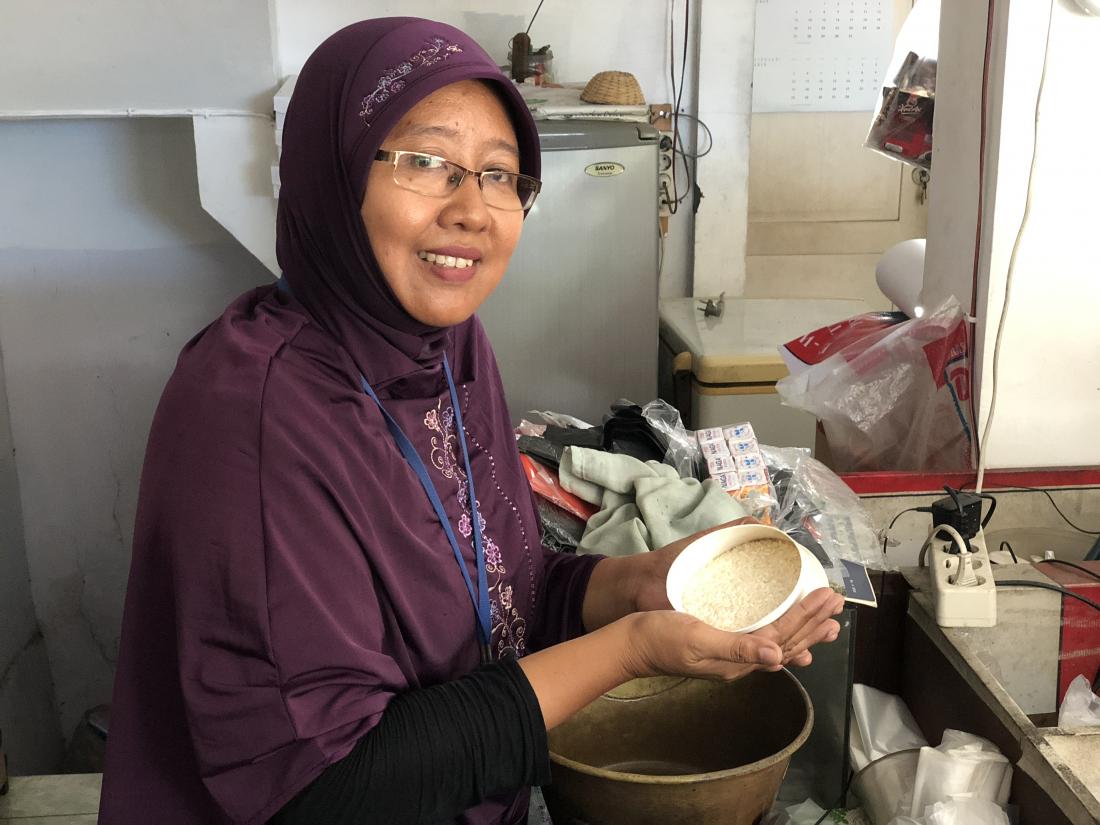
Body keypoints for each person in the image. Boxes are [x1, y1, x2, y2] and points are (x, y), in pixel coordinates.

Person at [98, 17, 844, 825]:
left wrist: (642, 583)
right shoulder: (254, 408)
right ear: (333, 170)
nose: (474, 210)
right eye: (426, 162)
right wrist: (632, 648)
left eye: (501, 175)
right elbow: (324, 786)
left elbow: (499, 602)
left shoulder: (448, 351)